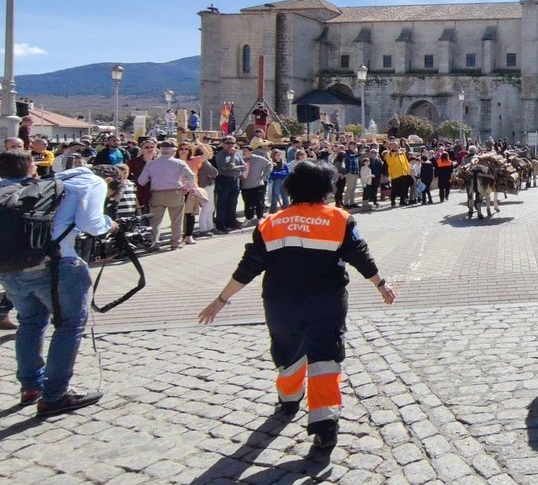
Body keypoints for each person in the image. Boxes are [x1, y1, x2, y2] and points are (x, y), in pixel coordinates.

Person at [197, 160, 395, 451]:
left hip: (281, 303)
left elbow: (249, 266)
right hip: (326, 302)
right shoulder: (339, 219)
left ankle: (288, 400)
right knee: (326, 357)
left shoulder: (270, 222)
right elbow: (360, 257)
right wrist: (381, 284)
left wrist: (221, 299)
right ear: (325, 189)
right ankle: (325, 423)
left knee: (287, 352)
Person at [0, 149, 116, 415]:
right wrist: (111, 225)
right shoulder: (91, 183)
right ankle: (55, 395)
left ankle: (30, 387)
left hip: (11, 267)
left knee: (30, 322)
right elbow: (92, 225)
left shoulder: (37, 184)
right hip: (57, 264)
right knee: (68, 326)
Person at [137, 139, 196, 251]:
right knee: (176, 220)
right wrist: (186, 187)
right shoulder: (179, 163)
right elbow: (191, 177)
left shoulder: (151, 163)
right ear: (174, 151)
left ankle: (154, 243)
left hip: (156, 194)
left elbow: (141, 181)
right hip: (175, 192)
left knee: (155, 221)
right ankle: (175, 243)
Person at [213, 136, 245, 233]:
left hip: (235, 180)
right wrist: (231, 157)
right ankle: (221, 225)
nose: (231, 145)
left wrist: (235, 167)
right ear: (223, 144)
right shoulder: (220, 155)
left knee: (233, 202)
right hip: (224, 180)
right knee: (222, 203)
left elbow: (244, 166)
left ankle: (231, 223)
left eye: (232, 143)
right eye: (228, 143)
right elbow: (226, 167)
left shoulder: (237, 155)